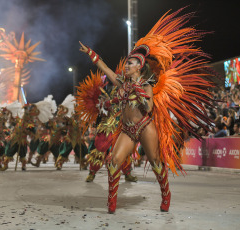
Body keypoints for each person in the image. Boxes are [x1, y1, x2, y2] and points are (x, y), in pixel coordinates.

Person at [79, 8, 215, 213]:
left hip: (144, 127)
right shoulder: (121, 83)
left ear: (139, 67)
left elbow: (149, 107)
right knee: (114, 161)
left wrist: (138, 95)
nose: (126, 66)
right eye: (126, 63)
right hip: (127, 130)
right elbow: (106, 69)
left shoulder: (147, 85)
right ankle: (112, 201)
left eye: (130, 63)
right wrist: (91, 54)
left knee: (156, 162)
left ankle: (166, 195)